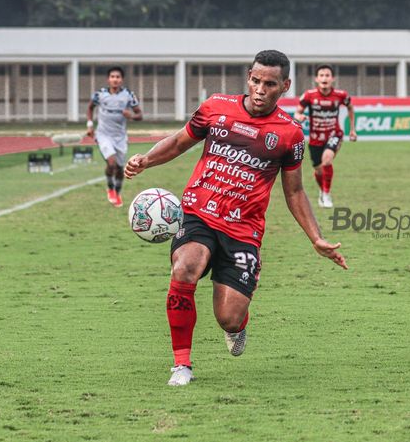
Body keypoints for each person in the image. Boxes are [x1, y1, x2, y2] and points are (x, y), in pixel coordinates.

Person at [125, 50, 348, 387]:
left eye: (270, 84)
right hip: (198, 212)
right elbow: (179, 142)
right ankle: (181, 365)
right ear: (248, 77)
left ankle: (239, 326)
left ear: (284, 86)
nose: (260, 89)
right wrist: (147, 160)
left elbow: (294, 192)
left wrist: (315, 237)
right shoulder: (216, 107)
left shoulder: (289, 134)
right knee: (185, 267)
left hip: (243, 230)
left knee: (228, 318)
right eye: (255, 80)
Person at [294, 65, 357, 209]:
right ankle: (322, 191)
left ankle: (327, 194)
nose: (324, 78)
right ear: (316, 79)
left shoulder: (341, 95)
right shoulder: (309, 95)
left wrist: (352, 129)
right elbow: (297, 113)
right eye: (321, 75)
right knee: (319, 170)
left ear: (332, 79)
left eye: (327, 75)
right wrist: (300, 117)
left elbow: (350, 107)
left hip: (334, 134)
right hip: (315, 139)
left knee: (327, 160)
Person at [86, 66, 143, 207]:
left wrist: (132, 116)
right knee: (111, 163)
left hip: (120, 137)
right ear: (108, 79)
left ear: (121, 79)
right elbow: (90, 107)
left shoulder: (129, 95)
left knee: (119, 168)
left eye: (118, 77)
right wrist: (89, 124)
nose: (115, 79)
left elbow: (139, 115)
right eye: (112, 77)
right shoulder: (99, 94)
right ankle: (110, 188)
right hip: (103, 134)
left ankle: (117, 192)